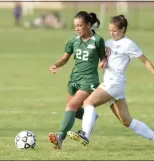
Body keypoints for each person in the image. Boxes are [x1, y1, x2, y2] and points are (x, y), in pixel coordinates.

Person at [67, 15, 154, 150]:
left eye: (115, 30)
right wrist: (103, 60)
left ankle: (85, 134)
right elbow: (101, 54)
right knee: (126, 121)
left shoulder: (128, 44)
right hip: (111, 83)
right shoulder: (108, 42)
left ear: (123, 29)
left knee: (88, 102)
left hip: (114, 83)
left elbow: (145, 61)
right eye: (110, 30)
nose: (112, 33)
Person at [48, 11, 107, 150]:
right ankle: (90, 115)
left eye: (80, 25)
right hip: (74, 79)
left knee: (71, 107)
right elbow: (64, 58)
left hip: (89, 81)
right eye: (75, 26)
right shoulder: (73, 41)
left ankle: (59, 138)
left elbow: (103, 56)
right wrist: (55, 65)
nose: (77, 28)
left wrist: (104, 61)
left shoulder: (98, 40)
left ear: (88, 25)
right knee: (70, 109)